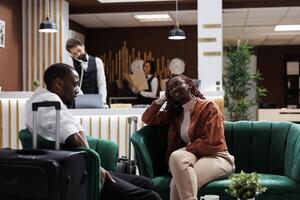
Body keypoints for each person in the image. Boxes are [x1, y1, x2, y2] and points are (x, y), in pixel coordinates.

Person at [25, 63, 161, 200]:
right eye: (75, 84)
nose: (78, 90)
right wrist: (97, 168)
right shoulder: (48, 101)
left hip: (76, 166)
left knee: (146, 183)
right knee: (151, 196)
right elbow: (74, 137)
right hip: (75, 174)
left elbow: (76, 131)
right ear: (59, 83)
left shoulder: (41, 100)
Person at [142, 74, 235, 200]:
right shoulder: (176, 114)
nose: (173, 90)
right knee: (175, 156)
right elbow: (148, 118)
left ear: (190, 85)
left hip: (216, 156)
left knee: (176, 183)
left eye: (177, 84)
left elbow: (212, 141)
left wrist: (186, 148)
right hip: (194, 156)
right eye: (170, 89)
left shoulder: (209, 107)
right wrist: (164, 97)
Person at [66, 38, 107, 104]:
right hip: (77, 100)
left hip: (95, 100)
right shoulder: (70, 62)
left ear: (83, 46)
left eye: (79, 50)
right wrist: (81, 98)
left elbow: (101, 83)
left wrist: (103, 101)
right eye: (74, 54)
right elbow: (73, 84)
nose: (78, 54)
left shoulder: (97, 61)